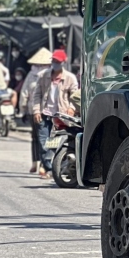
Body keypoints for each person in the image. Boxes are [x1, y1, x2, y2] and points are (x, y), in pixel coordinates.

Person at [29, 50, 79, 178]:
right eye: (54, 61)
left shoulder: (70, 78)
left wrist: (72, 108)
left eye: (58, 61)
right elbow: (37, 95)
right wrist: (36, 111)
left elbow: (75, 96)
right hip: (45, 114)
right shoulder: (43, 75)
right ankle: (48, 168)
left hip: (61, 116)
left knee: (56, 142)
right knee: (44, 142)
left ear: (63, 62)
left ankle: (55, 166)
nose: (55, 64)